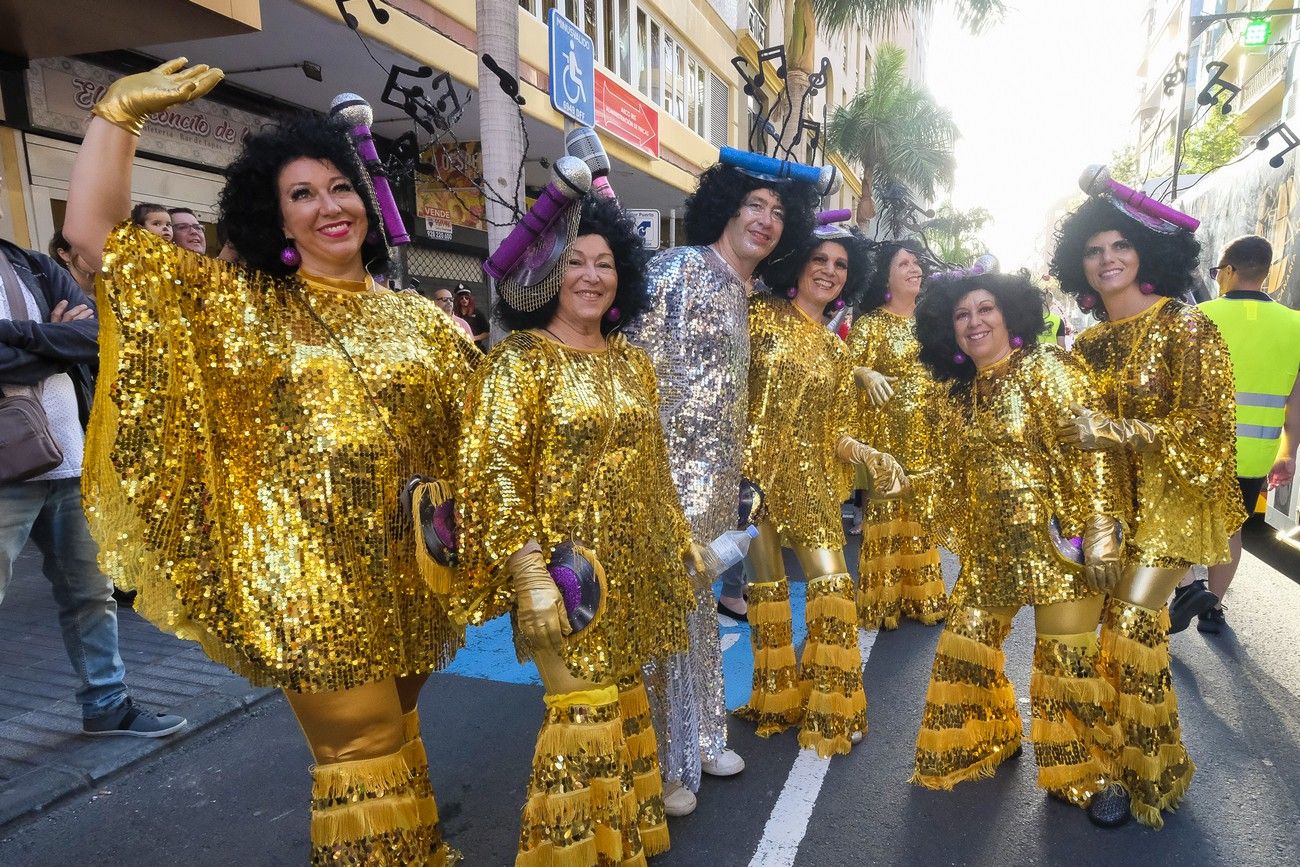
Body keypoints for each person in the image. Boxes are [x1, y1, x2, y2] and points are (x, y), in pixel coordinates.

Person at [63, 59, 478, 863]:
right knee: (360, 752)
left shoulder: (420, 321)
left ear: (366, 199)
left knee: (397, 737)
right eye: (303, 194)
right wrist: (117, 116)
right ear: (275, 217)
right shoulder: (241, 305)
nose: (329, 206)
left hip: (417, 573)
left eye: (340, 186)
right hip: (309, 581)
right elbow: (95, 244)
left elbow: (484, 434)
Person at [454, 194, 703, 865]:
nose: (592, 275)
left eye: (605, 262)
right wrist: (529, 574)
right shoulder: (519, 362)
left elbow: (654, 468)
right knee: (583, 716)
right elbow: (492, 474)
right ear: (546, 276)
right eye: (575, 263)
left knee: (620, 704)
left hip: (633, 579)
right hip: (565, 584)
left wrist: (680, 541)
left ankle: (611, 847)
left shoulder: (630, 360)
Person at [624, 162, 818, 815]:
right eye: (755, 205)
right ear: (728, 208)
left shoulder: (752, 296)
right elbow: (630, 371)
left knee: (699, 611)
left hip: (717, 482)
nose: (765, 219)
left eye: (778, 212)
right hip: (661, 479)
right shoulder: (675, 270)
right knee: (660, 618)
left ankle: (703, 735)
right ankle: (658, 763)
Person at [1049, 194, 1245, 828]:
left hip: (1174, 507)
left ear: (1146, 253)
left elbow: (1211, 432)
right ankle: (1099, 763)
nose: (1107, 259)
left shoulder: (1187, 327)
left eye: (1120, 246)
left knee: (1133, 627)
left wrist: (1118, 431)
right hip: (1109, 512)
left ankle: (1145, 769)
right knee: (1092, 634)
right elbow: (1074, 443)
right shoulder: (1087, 345)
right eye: (1093, 250)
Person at [908, 269, 1126, 824]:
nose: (974, 323)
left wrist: (1101, 531)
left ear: (1010, 314)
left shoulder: (1046, 368)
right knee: (964, 646)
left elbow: (1094, 447)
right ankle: (990, 735)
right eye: (961, 315)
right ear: (948, 331)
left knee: (1068, 666)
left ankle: (1094, 773)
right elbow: (944, 467)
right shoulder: (958, 395)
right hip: (992, 553)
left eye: (985, 310)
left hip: (1062, 544)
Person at [2, 175, 187, 740]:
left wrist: (18, 338)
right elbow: (73, 342)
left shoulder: (31, 265)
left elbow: (103, 336)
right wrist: (51, 339)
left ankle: (107, 706)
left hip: (69, 464)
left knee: (92, 594)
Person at [735, 227, 906, 756]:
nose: (829, 270)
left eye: (839, 264)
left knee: (832, 585)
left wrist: (871, 454)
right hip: (749, 478)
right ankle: (776, 698)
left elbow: (836, 432)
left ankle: (833, 702)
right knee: (765, 590)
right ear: (798, 265)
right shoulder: (756, 316)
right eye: (819, 259)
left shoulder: (836, 351)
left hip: (809, 482)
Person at [1179, 235, 1300, 633]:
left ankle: (1185, 588)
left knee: (1182, 520)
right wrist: (1289, 453)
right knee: (1231, 530)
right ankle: (1212, 608)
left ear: (1229, 271)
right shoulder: (1295, 325)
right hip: (1254, 453)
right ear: (1265, 273)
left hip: (1197, 448)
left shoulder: (1197, 317)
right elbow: (1295, 399)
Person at [847, 239, 948, 631]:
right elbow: (848, 366)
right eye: (904, 263)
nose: (914, 269)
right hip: (886, 441)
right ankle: (883, 603)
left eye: (917, 263)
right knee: (888, 513)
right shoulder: (871, 323)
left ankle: (921, 597)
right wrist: (864, 373)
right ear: (887, 276)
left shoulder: (932, 324)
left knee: (921, 517)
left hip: (928, 438)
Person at [454, 285, 490, 350]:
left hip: (475, 347)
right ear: (458, 300)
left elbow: (487, 333)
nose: (464, 299)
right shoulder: (454, 313)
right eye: (461, 298)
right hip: (459, 348)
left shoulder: (477, 313)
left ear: (470, 299)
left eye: (466, 297)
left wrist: (473, 338)